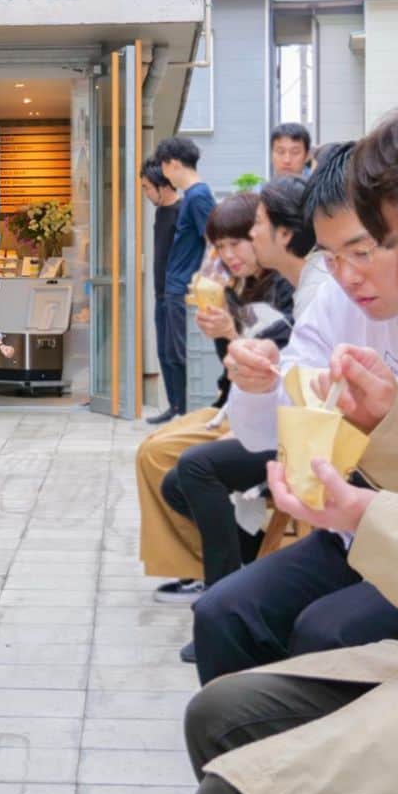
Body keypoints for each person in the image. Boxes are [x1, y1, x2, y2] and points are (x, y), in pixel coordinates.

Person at [187, 88, 398, 794]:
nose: (393, 277)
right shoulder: (348, 300)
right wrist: (387, 423)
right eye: (339, 256)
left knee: (243, 791)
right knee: (221, 688)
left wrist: (368, 507)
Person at [136, 193, 292, 604]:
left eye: (236, 243)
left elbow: (275, 367)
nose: (228, 254)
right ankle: (207, 567)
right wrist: (226, 333)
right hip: (239, 406)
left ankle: (215, 578)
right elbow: (238, 368)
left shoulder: (288, 288)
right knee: (155, 454)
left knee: (171, 460)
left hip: (273, 418)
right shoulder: (240, 289)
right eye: (220, 246)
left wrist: (231, 334)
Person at [150, 136, 216, 424]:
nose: (164, 175)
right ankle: (179, 409)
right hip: (173, 287)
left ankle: (190, 414)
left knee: (181, 353)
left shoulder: (198, 196)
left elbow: (214, 241)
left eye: (164, 168)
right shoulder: (193, 196)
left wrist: (206, 281)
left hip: (181, 287)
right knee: (171, 352)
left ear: (173, 164)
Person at [249, 177, 328, 317]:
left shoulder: (318, 293)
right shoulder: (313, 280)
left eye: (258, 222)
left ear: (285, 234)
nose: (251, 233)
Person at [141, 155, 181, 421]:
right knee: (164, 353)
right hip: (160, 293)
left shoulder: (182, 211)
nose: (145, 193)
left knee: (177, 353)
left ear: (162, 185)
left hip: (176, 295)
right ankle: (175, 406)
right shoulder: (161, 212)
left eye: (146, 187)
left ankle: (183, 409)